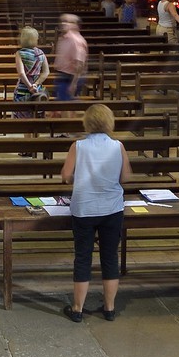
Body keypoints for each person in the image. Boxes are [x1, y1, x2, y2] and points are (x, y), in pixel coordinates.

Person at [59, 103, 133, 322]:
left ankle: (78, 309)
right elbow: (125, 177)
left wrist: (78, 177)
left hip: (85, 209)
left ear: (87, 122)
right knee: (110, 257)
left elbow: (65, 175)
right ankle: (109, 308)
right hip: (111, 209)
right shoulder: (118, 146)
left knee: (82, 257)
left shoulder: (78, 146)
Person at [51, 15, 88, 119]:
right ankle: (69, 126)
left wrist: (74, 83)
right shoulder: (63, 38)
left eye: (68, 22)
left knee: (65, 104)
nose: (63, 23)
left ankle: (66, 129)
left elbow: (79, 64)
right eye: (62, 21)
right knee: (65, 103)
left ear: (76, 25)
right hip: (62, 74)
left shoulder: (75, 41)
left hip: (71, 77)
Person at [12, 26, 49, 127]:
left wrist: (29, 86)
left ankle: (27, 139)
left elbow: (21, 73)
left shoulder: (19, 53)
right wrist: (36, 84)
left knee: (25, 120)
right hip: (38, 89)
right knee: (37, 116)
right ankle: (36, 138)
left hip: (23, 89)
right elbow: (46, 72)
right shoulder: (41, 53)